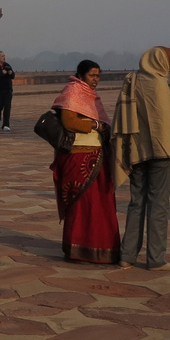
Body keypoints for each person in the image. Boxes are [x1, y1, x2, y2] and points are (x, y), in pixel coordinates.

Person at [114, 47, 170, 271]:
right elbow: (161, 123)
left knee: (136, 203)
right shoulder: (159, 83)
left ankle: (127, 256)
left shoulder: (133, 80)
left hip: (136, 149)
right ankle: (156, 259)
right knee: (159, 205)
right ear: (161, 62)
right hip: (159, 152)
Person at [49, 60, 120, 264]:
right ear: (80, 75)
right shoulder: (73, 92)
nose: (96, 80)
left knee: (100, 204)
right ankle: (78, 248)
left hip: (96, 153)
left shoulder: (88, 94)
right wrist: (96, 125)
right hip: (78, 155)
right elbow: (69, 121)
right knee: (82, 205)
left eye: (98, 76)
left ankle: (102, 247)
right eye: (92, 76)